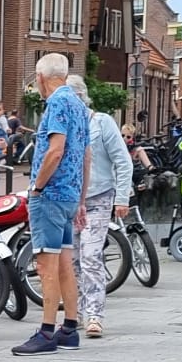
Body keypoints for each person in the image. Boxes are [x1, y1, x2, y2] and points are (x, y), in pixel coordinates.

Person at [12, 54, 90, 356]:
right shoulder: (80, 105)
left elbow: (55, 151)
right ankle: (69, 328)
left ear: (41, 76)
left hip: (51, 196)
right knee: (65, 265)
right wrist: (81, 199)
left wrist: (36, 187)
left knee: (45, 265)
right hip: (70, 195)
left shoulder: (57, 103)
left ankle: (46, 332)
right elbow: (85, 156)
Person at [70, 77, 134, 341]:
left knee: (90, 255)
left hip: (98, 197)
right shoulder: (61, 125)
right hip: (68, 201)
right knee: (71, 258)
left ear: (80, 97)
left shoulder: (101, 122)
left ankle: (94, 314)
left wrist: (122, 198)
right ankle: (74, 312)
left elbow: (122, 160)